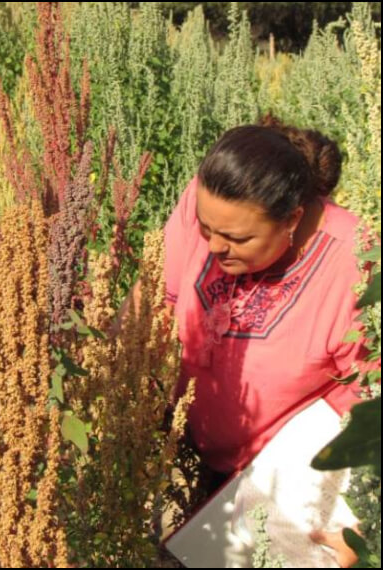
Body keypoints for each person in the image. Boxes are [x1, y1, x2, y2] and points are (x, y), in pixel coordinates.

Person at [150, 115, 374, 566]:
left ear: (292, 218)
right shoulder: (216, 202)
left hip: (285, 493)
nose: (212, 246)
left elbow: (374, 409)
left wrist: (365, 529)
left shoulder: (356, 263)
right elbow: (158, 291)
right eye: (205, 228)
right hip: (195, 458)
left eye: (236, 238)